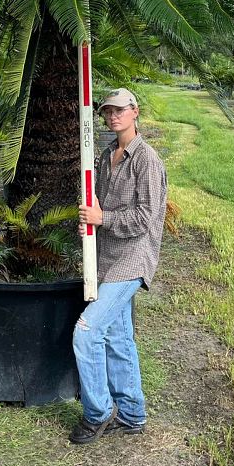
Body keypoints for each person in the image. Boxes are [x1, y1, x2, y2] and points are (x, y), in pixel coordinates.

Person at [69, 88, 167, 444]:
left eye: (120, 111)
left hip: (133, 260)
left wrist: (102, 217)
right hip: (106, 258)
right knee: (119, 339)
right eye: (108, 112)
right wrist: (90, 220)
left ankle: (97, 413)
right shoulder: (106, 155)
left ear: (134, 112)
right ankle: (132, 415)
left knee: (87, 331)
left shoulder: (147, 160)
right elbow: (97, 206)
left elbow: (144, 218)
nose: (113, 117)